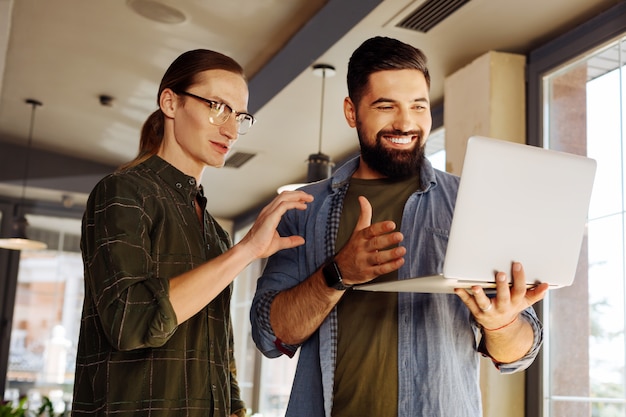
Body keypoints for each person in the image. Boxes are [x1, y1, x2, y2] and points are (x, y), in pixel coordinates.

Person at [250, 36, 549, 417]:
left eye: (418, 106)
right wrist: (337, 273)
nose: (406, 122)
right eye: (386, 106)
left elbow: (518, 354)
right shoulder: (303, 208)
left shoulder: (470, 202)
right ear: (352, 111)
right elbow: (268, 334)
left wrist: (502, 324)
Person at [71, 49, 313, 417]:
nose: (231, 130)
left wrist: (234, 408)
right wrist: (247, 250)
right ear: (171, 102)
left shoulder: (215, 232)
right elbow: (129, 322)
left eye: (239, 115)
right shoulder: (123, 191)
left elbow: (218, 348)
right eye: (217, 106)